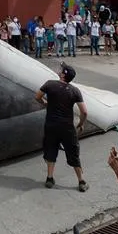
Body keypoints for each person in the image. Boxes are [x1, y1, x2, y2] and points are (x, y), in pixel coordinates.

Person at [35, 63, 89, 192]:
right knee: (73, 152)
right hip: (67, 127)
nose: (59, 71)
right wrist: (81, 124)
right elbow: (85, 112)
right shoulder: (75, 91)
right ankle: (81, 181)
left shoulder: (49, 84)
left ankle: (49, 178)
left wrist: (46, 103)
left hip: (51, 125)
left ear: (63, 74)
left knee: (51, 149)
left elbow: (37, 97)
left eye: (61, 70)